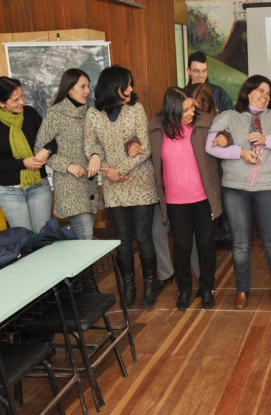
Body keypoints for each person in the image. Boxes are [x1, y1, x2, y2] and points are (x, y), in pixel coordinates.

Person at [205, 75, 271, 311]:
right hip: (235, 188)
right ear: (247, 92)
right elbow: (210, 146)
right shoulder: (228, 116)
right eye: (261, 90)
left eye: (268, 92)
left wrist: (267, 139)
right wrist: (240, 153)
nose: (265, 95)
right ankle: (242, 290)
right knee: (240, 243)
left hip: (269, 187)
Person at [84, 65, 159, 309]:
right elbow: (90, 144)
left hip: (139, 181)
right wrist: (98, 158)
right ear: (111, 85)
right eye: (126, 84)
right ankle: (128, 287)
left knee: (143, 236)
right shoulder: (93, 114)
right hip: (112, 184)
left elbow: (145, 148)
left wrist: (121, 171)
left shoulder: (136, 109)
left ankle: (149, 286)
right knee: (122, 238)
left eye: (131, 84)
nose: (130, 89)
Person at [148, 87, 221, 310]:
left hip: (203, 198)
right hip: (175, 201)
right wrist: (131, 144)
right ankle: (184, 290)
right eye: (186, 109)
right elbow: (135, 140)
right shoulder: (156, 129)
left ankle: (207, 289)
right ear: (172, 111)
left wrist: (224, 138)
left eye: (192, 106)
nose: (192, 111)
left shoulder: (205, 122)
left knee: (206, 246)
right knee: (181, 247)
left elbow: (224, 131)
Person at [35, 68, 105, 293]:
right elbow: (40, 148)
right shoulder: (56, 113)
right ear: (69, 87)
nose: (87, 91)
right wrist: (67, 165)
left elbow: (98, 142)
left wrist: (96, 154)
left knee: (82, 237)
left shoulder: (91, 113)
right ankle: (89, 289)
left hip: (90, 183)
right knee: (85, 238)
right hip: (70, 184)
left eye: (88, 86)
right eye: (83, 86)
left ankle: (75, 288)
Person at [0, 77, 55, 232]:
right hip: (10, 192)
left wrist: (47, 149)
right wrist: (23, 163)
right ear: (1, 103)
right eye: (15, 100)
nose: (21, 102)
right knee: (24, 241)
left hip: (39, 186)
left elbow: (53, 139)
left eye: (22, 96)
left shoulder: (30, 113)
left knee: (42, 238)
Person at [187, 51, 233, 250]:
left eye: (204, 71)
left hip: (217, 155)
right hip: (191, 154)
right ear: (188, 71)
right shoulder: (181, 94)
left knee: (220, 191)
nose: (201, 76)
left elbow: (232, 119)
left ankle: (225, 235)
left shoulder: (219, 92)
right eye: (196, 71)